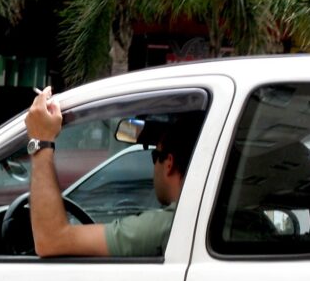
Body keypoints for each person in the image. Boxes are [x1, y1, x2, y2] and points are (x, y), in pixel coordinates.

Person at [25, 86, 199, 257]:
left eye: (154, 156)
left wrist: (41, 140)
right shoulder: (201, 219)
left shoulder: (167, 226)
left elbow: (52, 240)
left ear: (169, 164)